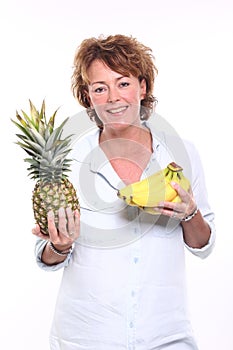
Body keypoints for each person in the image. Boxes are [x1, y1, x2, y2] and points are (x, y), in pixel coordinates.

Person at [32, 34, 216, 350]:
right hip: (86, 337)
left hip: (166, 336)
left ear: (142, 87)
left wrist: (190, 214)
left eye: (123, 83)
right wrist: (59, 246)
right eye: (100, 88)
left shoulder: (180, 154)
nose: (113, 97)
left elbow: (203, 245)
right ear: (88, 97)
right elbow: (46, 256)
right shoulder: (68, 162)